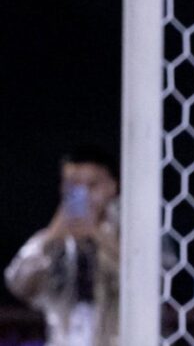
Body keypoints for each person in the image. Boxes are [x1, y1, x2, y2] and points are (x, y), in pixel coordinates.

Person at [4, 145, 120, 346]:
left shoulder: (134, 236)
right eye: (73, 186)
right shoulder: (52, 240)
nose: (83, 195)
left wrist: (98, 235)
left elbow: (155, 281)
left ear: (112, 187)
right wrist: (52, 237)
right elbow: (18, 284)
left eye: (92, 186)